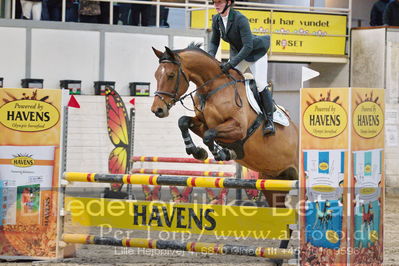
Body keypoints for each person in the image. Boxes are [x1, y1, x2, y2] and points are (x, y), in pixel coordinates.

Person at [208, 0, 274, 135]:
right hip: (240, 54)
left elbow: (248, 46)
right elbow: (214, 42)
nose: (216, 5)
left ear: (228, 2)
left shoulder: (240, 19)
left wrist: (231, 64)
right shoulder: (216, 19)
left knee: (260, 84)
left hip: (256, 53)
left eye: (219, 2)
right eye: (214, 2)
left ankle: (270, 121)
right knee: (229, 79)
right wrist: (210, 58)